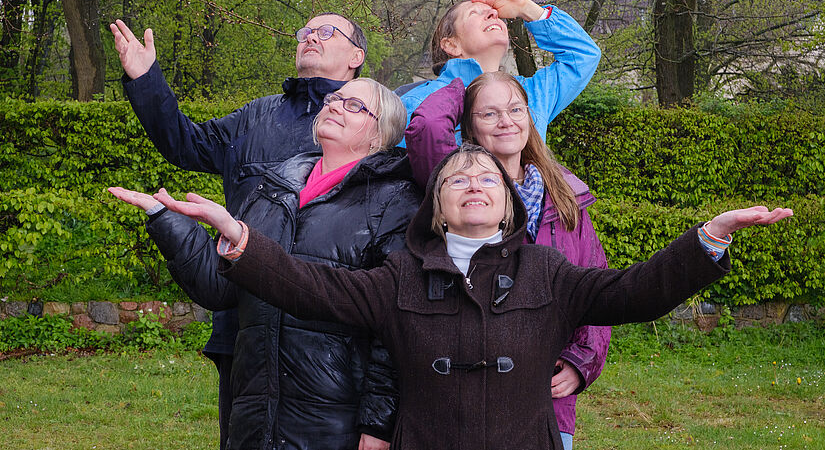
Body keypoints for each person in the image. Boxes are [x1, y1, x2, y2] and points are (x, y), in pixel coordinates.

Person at [131, 145, 792, 449]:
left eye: (487, 178)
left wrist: (705, 239)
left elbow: (636, 292)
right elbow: (313, 287)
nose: (473, 183)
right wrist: (239, 235)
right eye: (456, 179)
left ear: (506, 207)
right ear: (438, 210)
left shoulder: (547, 270)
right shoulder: (397, 276)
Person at [108, 13, 386, 450]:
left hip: (330, 346)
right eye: (305, 32)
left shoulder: (374, 129)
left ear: (357, 56)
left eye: (327, 31)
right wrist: (146, 81)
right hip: (244, 322)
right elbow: (186, 143)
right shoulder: (257, 116)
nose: (311, 36)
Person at [406, 72, 609, 449]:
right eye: (489, 114)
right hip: (467, 390)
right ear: (469, 125)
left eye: (516, 109)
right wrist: (465, 75)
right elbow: (429, 128)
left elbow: (594, 282)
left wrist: (584, 360)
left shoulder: (565, 196)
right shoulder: (458, 190)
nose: (506, 121)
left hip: (547, 395)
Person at [398, 0, 601, 145]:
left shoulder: (531, 95)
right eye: (474, 13)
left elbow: (583, 55)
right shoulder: (414, 103)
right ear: (451, 44)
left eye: (495, 13)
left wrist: (525, 7)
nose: (493, 14)